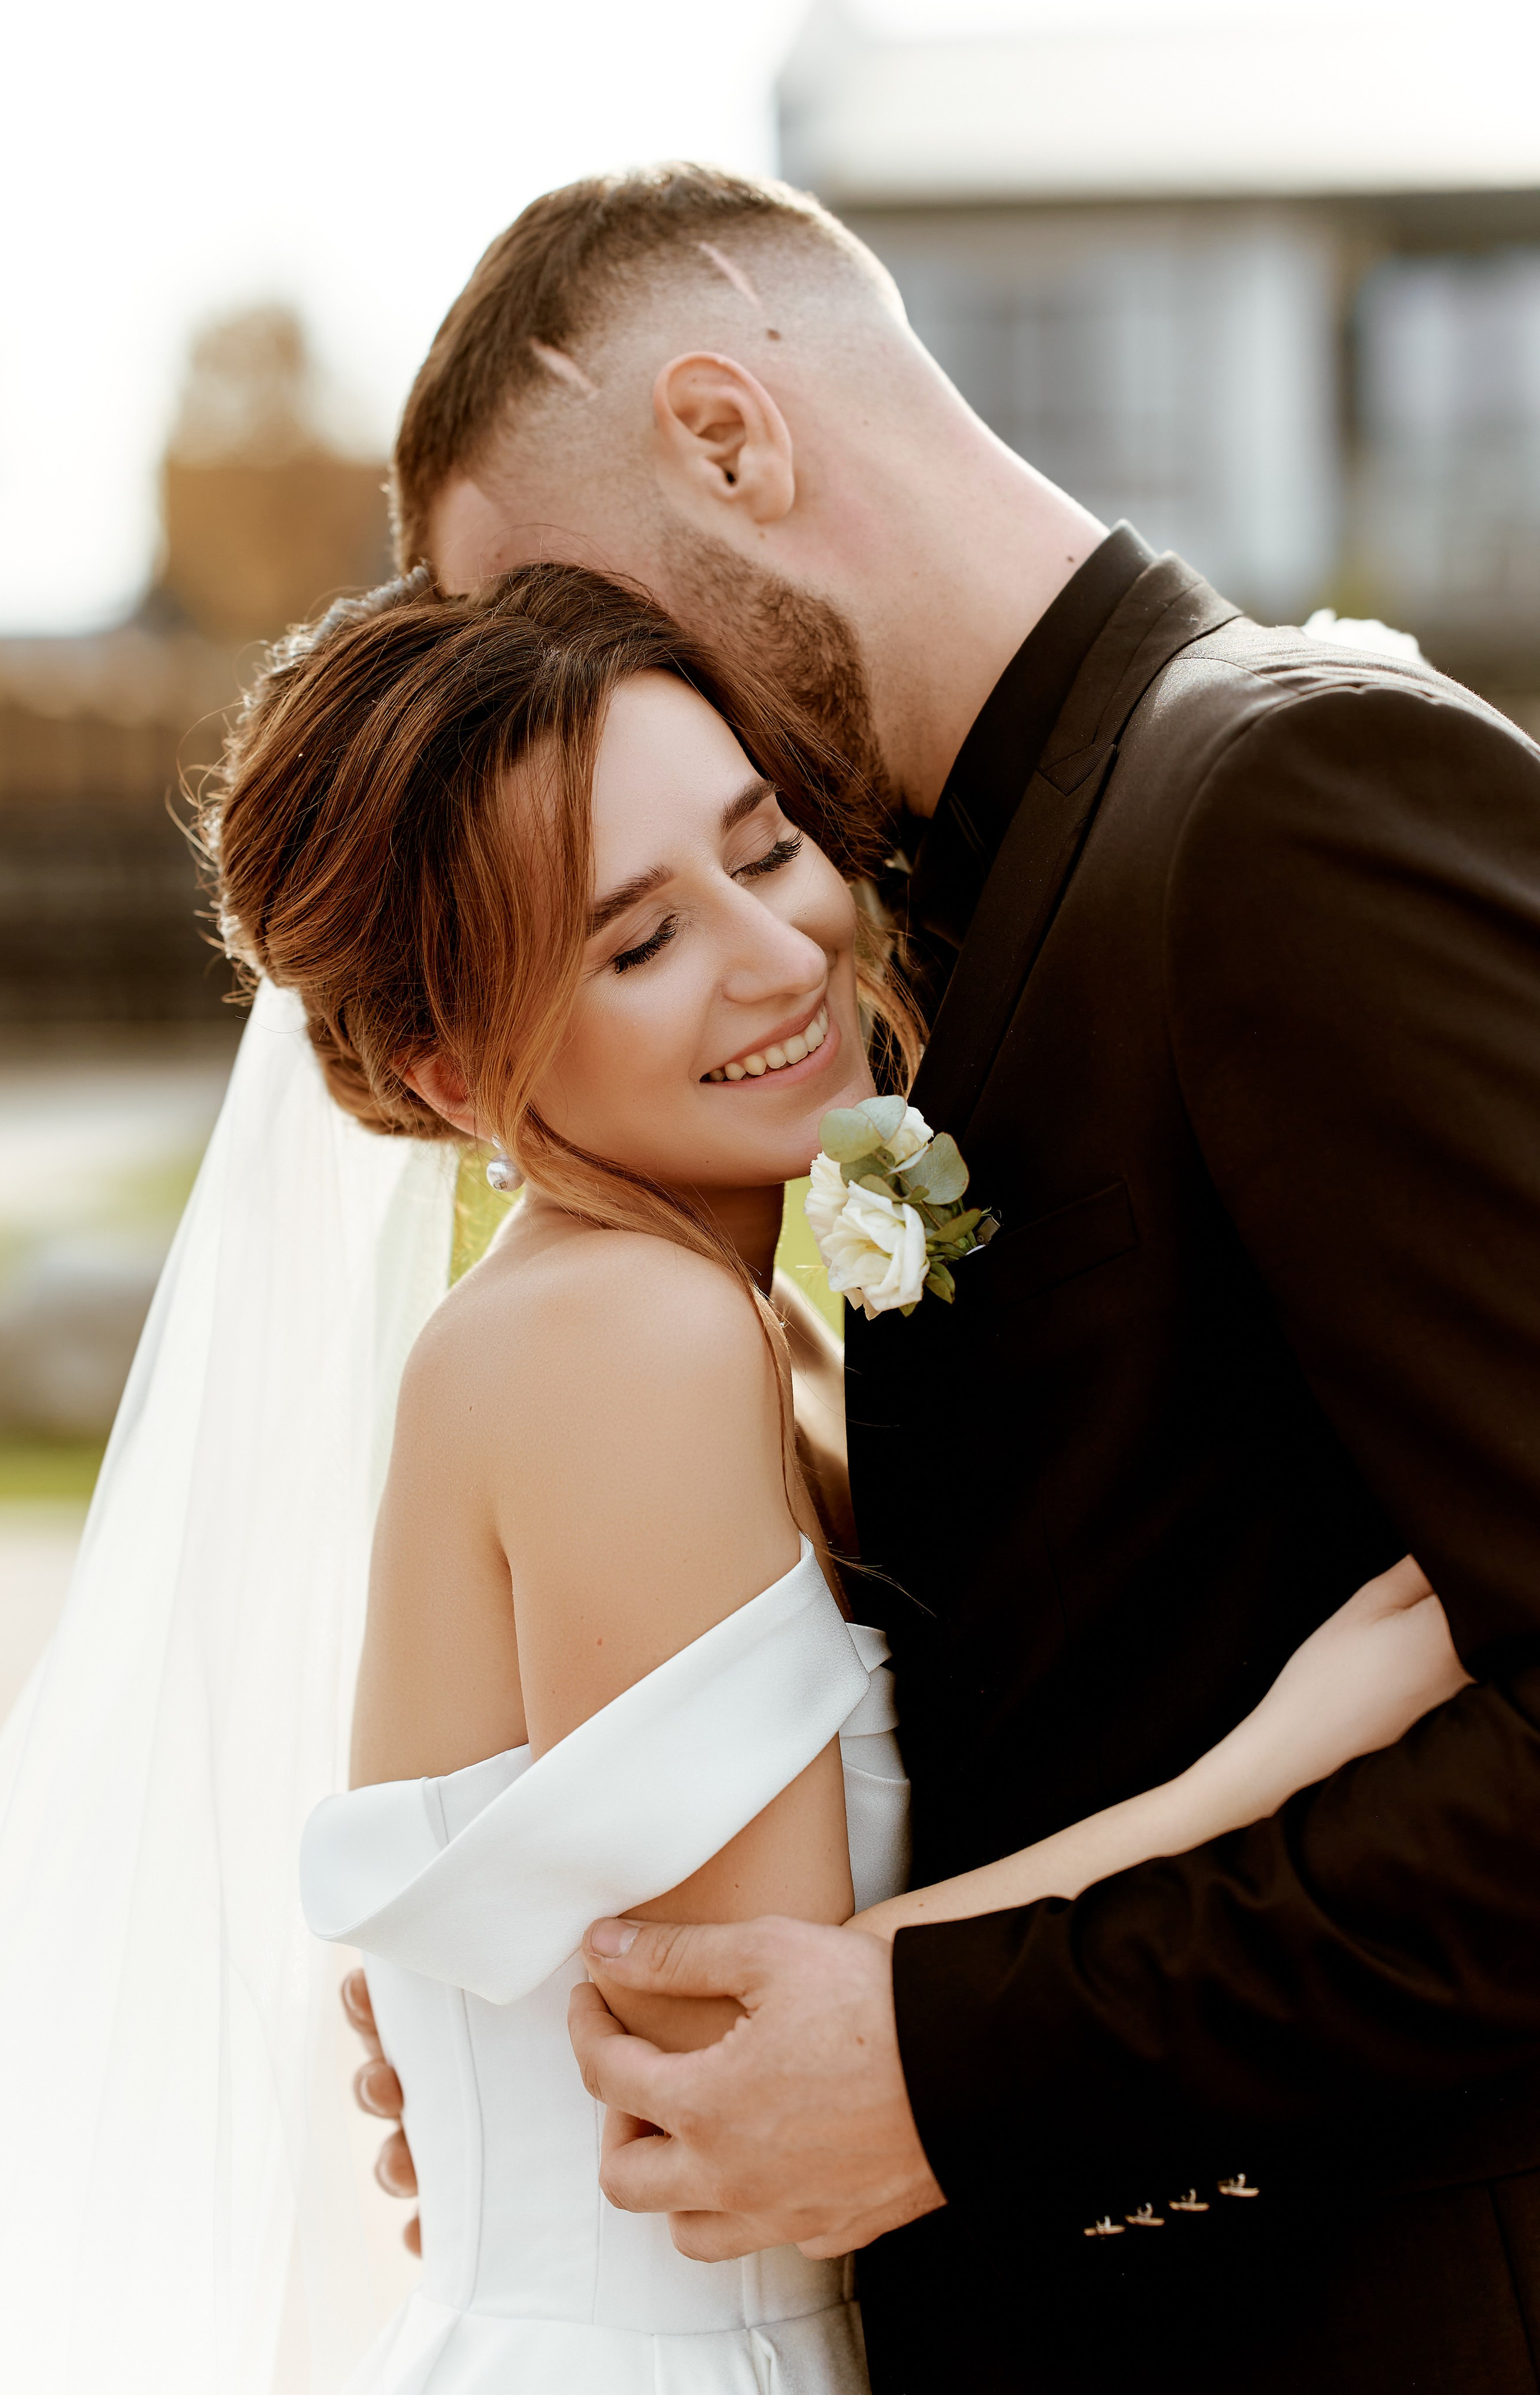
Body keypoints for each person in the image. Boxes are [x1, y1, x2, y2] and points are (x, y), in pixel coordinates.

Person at [348, 165, 1540, 2392]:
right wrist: (517, 2014)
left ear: (729, 439)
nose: (566, 709)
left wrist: (924, 2056)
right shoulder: (898, 964)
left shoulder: (1285, 794)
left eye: (557, 614)